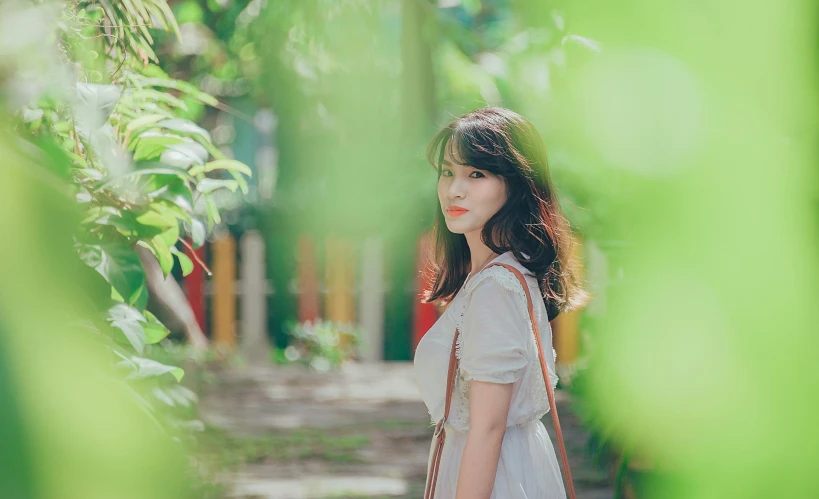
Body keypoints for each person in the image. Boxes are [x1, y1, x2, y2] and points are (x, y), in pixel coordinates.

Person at [413, 106, 590, 498]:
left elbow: (488, 430)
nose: (454, 189)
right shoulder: (494, 277)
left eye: (476, 174)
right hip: (507, 466)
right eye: (447, 172)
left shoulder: (496, 287)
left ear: (516, 185)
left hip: (494, 478)